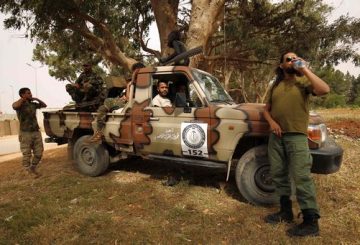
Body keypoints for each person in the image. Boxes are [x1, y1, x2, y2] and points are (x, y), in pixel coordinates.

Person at [263, 52, 330, 237]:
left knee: (301, 177)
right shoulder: (275, 85)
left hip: (297, 137)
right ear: (282, 65)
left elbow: (324, 90)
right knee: (278, 174)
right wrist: (272, 123)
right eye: (288, 59)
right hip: (276, 137)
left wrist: (305, 69)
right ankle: (286, 212)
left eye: (295, 58)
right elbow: (265, 110)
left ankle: (311, 222)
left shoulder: (304, 83)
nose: (292, 61)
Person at [12, 88, 47, 178]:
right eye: (28, 93)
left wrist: (36, 99)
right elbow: (15, 106)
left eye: (30, 92)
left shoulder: (33, 104)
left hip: (36, 131)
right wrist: (23, 99)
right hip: (25, 132)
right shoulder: (19, 104)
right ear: (23, 95)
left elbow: (44, 105)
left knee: (39, 152)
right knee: (27, 154)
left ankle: (33, 167)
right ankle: (28, 171)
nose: (30, 94)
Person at [89, 79, 131, 143]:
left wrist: (128, 86)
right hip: (123, 101)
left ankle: (99, 132)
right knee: (104, 106)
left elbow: (128, 98)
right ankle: (99, 131)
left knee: (107, 102)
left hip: (126, 103)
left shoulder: (132, 84)